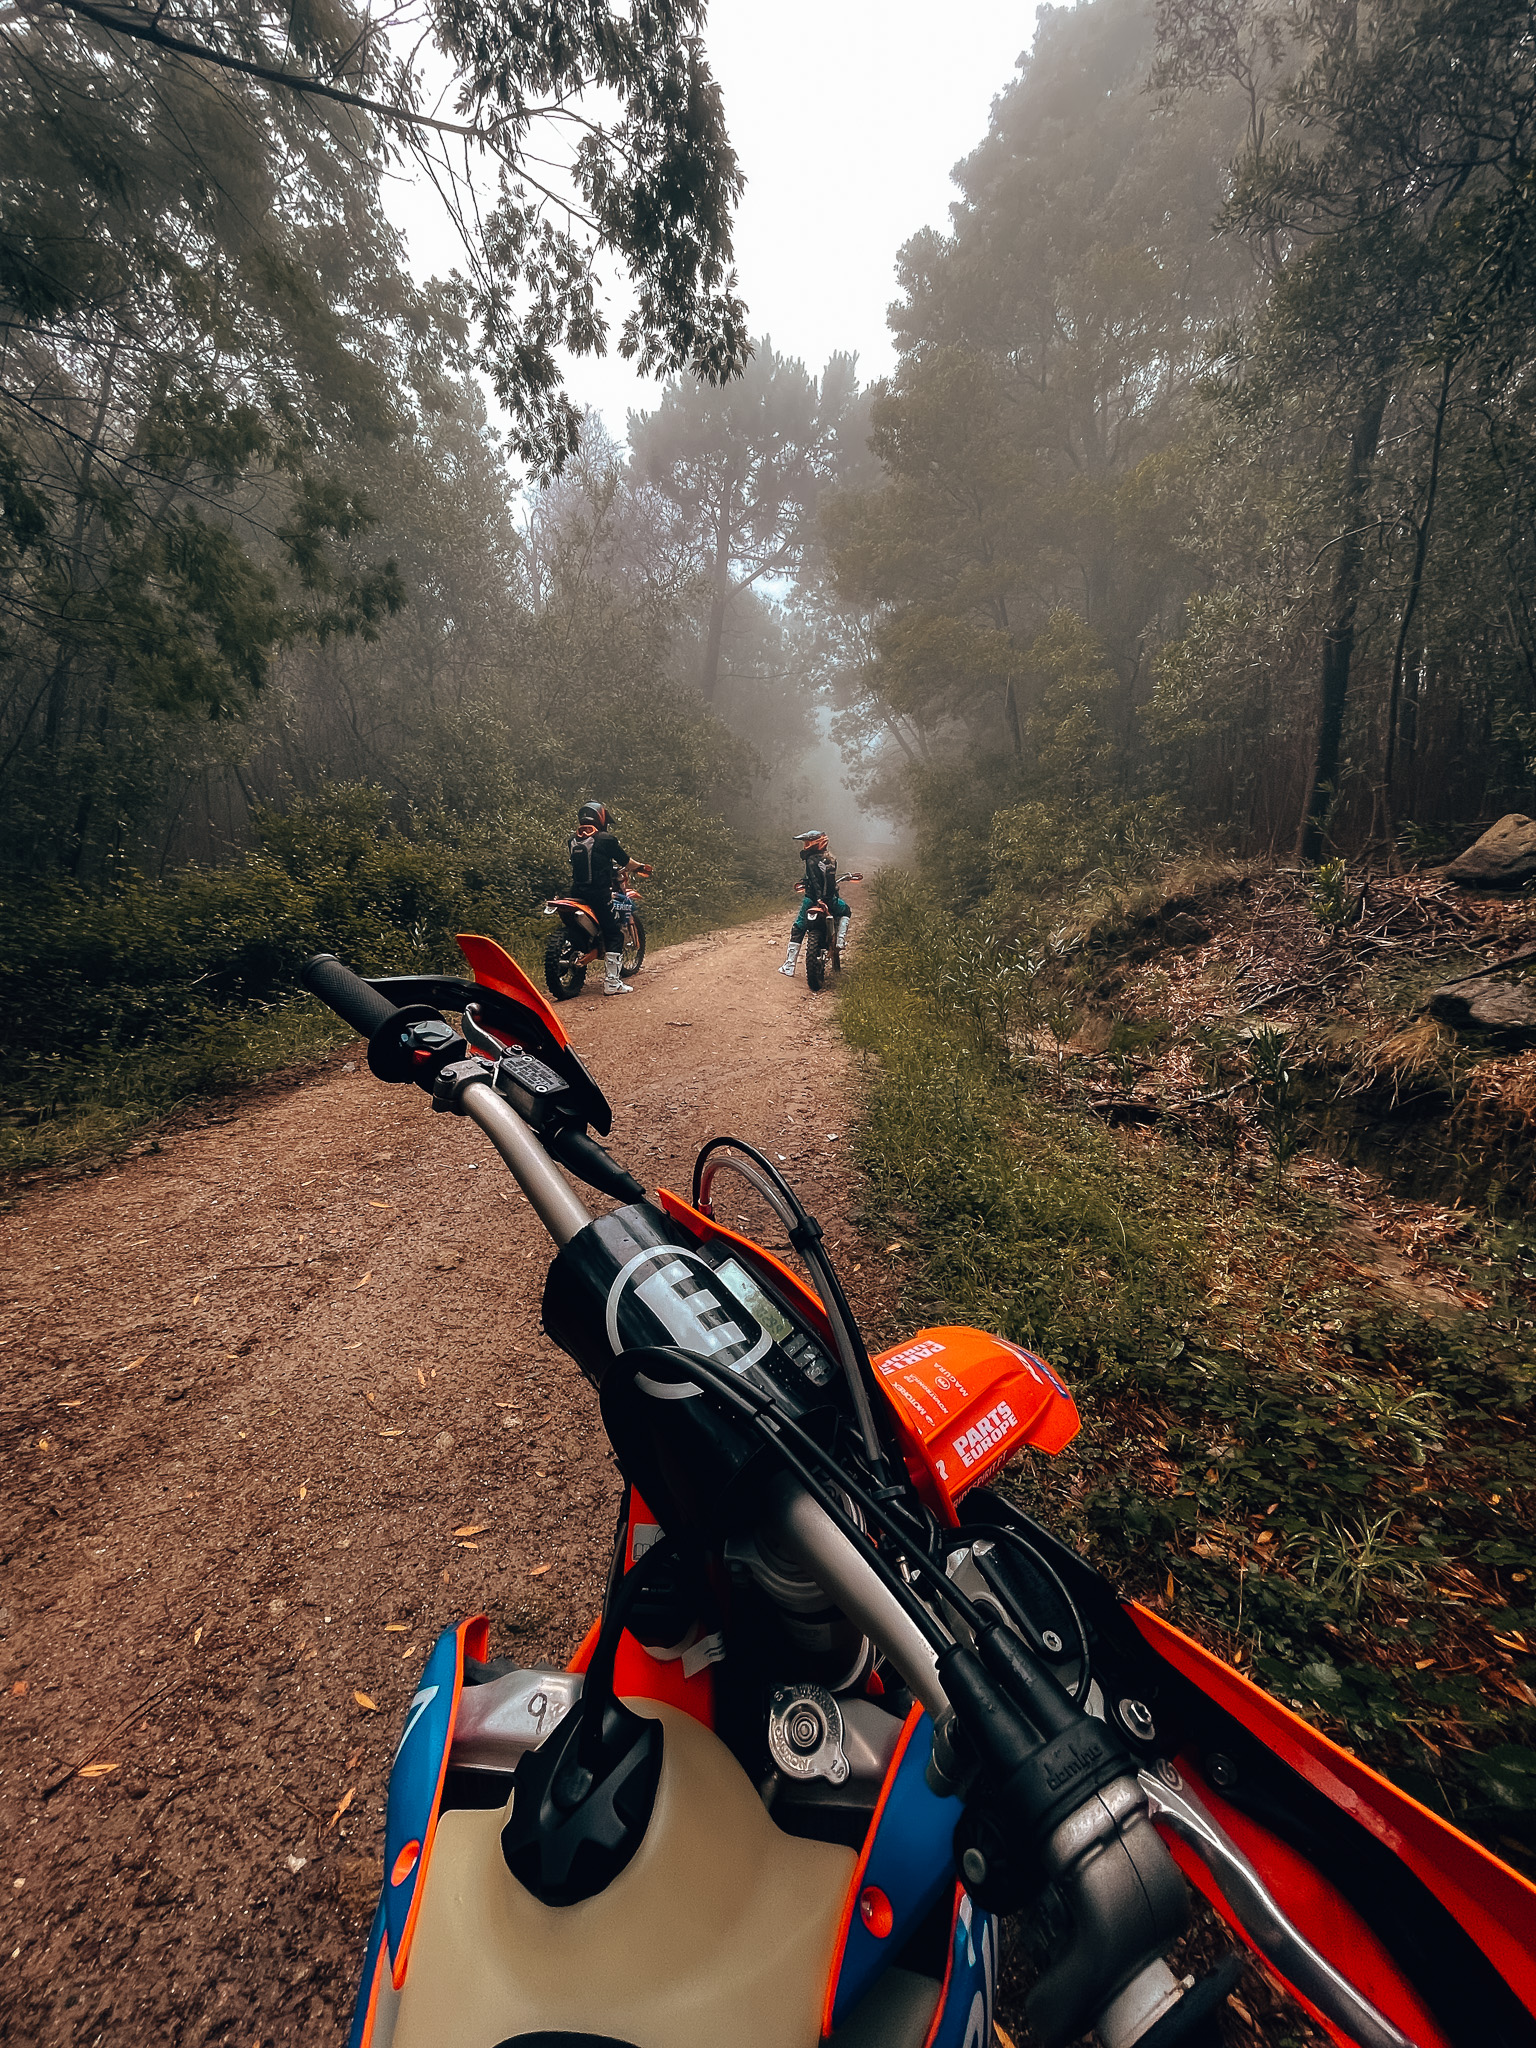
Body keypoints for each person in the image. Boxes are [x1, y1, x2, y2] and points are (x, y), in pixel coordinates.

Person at [569, 800, 635, 995]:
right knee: (614, 933)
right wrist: (641, 867)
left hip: (576, 893)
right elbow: (625, 861)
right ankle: (612, 983)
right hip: (599, 893)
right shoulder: (606, 839)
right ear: (600, 818)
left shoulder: (572, 840)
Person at [779, 828, 850, 977]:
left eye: (808, 842)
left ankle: (789, 965)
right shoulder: (831, 860)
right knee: (845, 910)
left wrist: (818, 899)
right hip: (830, 899)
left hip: (812, 899)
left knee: (799, 927)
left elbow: (816, 881)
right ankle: (840, 941)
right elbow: (829, 881)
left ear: (817, 843)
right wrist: (826, 898)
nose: (806, 845)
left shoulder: (811, 860)